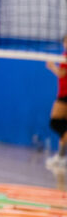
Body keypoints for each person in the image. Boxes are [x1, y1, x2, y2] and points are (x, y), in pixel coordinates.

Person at [45, 35, 67, 170]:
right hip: (63, 93)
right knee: (63, 125)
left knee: (56, 123)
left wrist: (52, 66)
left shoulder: (65, 57)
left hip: (65, 95)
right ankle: (61, 156)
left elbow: (62, 73)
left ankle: (61, 157)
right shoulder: (64, 55)